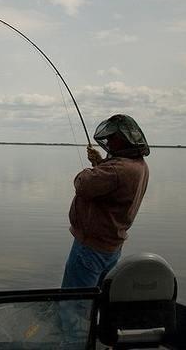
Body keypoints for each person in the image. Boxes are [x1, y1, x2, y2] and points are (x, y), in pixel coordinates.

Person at [62, 114, 150, 288]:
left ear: (123, 140)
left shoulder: (117, 170)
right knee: (96, 301)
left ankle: (73, 317)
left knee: (73, 304)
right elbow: (112, 184)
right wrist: (100, 163)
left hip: (90, 249)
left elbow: (83, 185)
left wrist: (90, 170)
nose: (108, 142)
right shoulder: (140, 166)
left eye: (112, 138)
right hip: (111, 248)